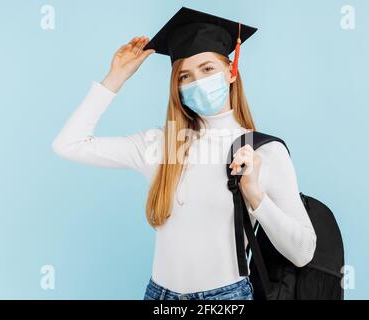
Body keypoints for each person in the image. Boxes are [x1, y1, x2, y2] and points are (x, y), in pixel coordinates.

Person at [52, 7, 317, 300]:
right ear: (176, 87)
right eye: (185, 76)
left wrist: (255, 195)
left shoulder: (263, 151)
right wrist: (116, 78)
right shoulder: (159, 145)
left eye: (207, 69)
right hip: (159, 297)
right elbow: (69, 144)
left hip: (225, 300)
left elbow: (303, 252)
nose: (197, 82)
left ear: (231, 71)